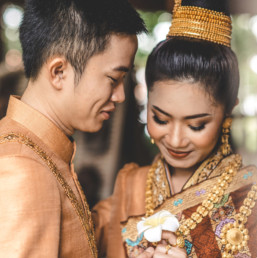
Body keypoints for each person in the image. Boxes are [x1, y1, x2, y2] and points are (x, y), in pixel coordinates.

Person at [92, 0, 257, 257]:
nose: (176, 140)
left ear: (228, 112)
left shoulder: (251, 197)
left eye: (196, 125)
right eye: (160, 119)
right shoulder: (130, 185)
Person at [0, 0, 147, 257]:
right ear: (58, 72)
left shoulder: (43, 151)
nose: (120, 96)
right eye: (113, 79)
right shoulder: (24, 168)